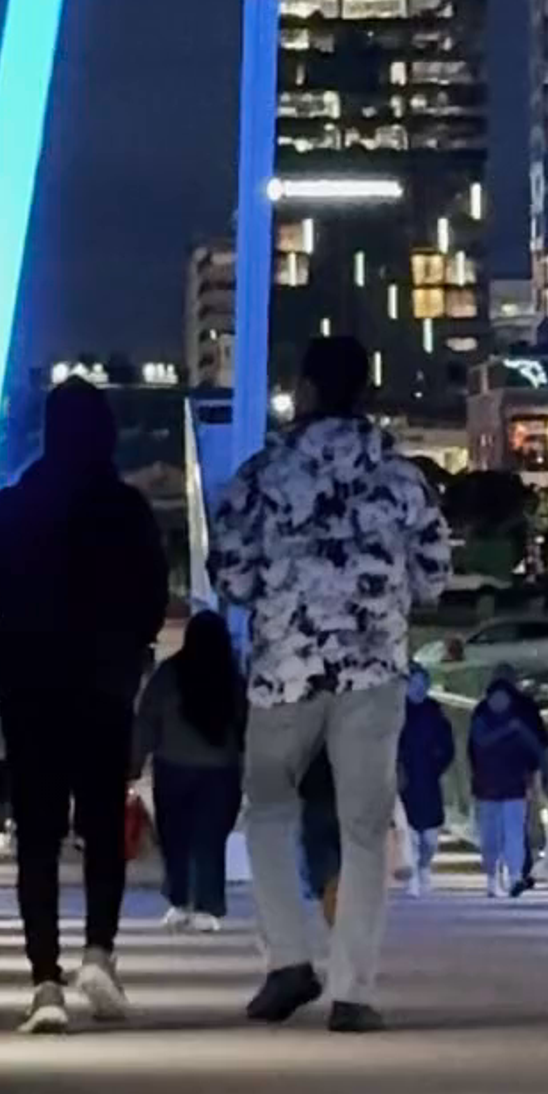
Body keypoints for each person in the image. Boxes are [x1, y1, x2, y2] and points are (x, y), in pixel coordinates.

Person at [205, 329, 453, 1029]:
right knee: (365, 827)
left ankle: (288, 960)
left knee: (268, 808)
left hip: (284, 670)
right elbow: (434, 576)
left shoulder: (262, 475)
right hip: (373, 669)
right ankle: (353, 990)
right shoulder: (402, 479)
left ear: (306, 390)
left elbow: (233, 577)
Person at [0, 377, 172, 1032]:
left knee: (37, 833)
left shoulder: (15, 506)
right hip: (103, 683)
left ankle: (45, 982)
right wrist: (131, 642)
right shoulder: (126, 509)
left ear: (47, 433)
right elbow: (154, 589)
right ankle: (99, 955)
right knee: (102, 826)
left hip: (29, 682)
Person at [135, 600, 249, 920]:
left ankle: (179, 899)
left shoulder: (169, 673)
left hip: (173, 768)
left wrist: (134, 761)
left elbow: (147, 720)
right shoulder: (233, 679)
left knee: (175, 837)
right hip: (221, 771)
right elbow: (246, 725)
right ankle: (208, 905)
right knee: (210, 839)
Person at [466, 667, 548, 890]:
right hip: (493, 785)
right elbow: (539, 746)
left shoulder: (485, 714)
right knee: (498, 834)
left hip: (507, 785)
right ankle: (499, 874)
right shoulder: (517, 716)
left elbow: (474, 748)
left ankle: (513, 875)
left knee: (510, 831)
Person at [394, 669, 455, 883]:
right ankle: (412, 876)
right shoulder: (396, 713)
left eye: (422, 685)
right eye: (414, 684)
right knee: (408, 832)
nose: (418, 689)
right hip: (404, 782)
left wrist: (437, 763)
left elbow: (448, 747)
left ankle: (424, 865)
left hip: (429, 782)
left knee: (430, 837)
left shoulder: (435, 713)